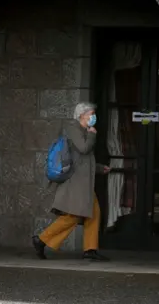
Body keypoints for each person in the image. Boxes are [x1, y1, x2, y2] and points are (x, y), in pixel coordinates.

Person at [32, 102, 111, 261]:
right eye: (91, 113)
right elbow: (83, 148)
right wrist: (92, 134)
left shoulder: (83, 130)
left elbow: (82, 160)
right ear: (81, 115)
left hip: (83, 183)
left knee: (93, 213)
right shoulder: (74, 129)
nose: (93, 116)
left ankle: (90, 249)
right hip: (76, 183)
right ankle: (41, 240)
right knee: (73, 216)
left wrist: (100, 168)